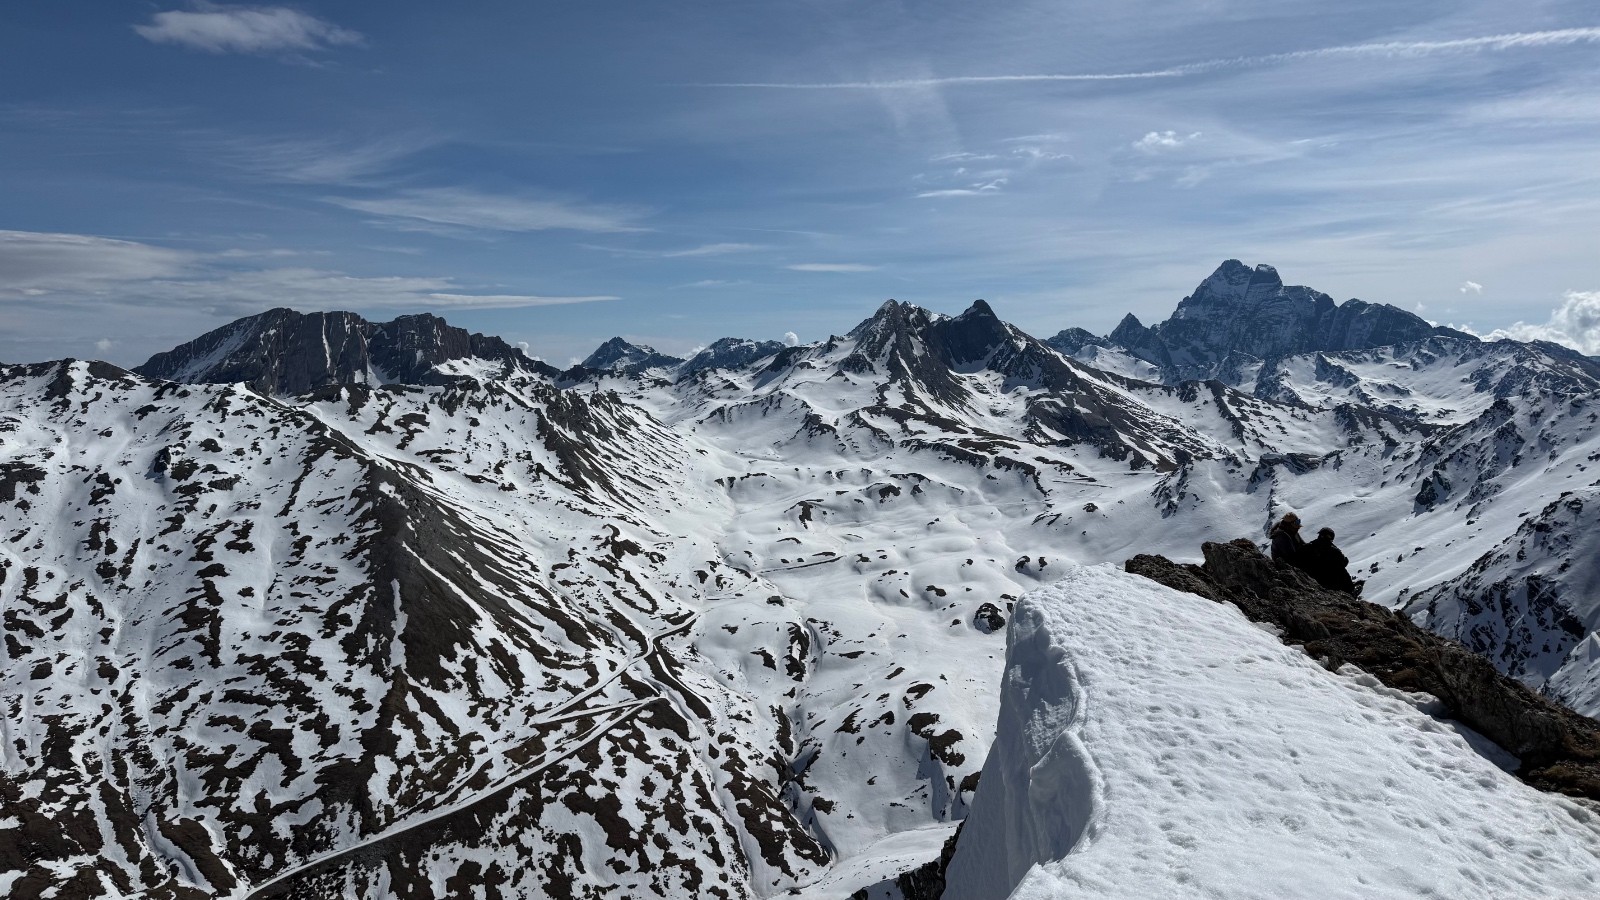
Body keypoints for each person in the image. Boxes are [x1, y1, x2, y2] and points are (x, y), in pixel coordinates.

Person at [1300, 527, 1359, 595]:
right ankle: (1350, 590)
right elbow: (1344, 562)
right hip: (1329, 580)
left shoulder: (1309, 546)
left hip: (1312, 577)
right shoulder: (1333, 550)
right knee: (1341, 569)